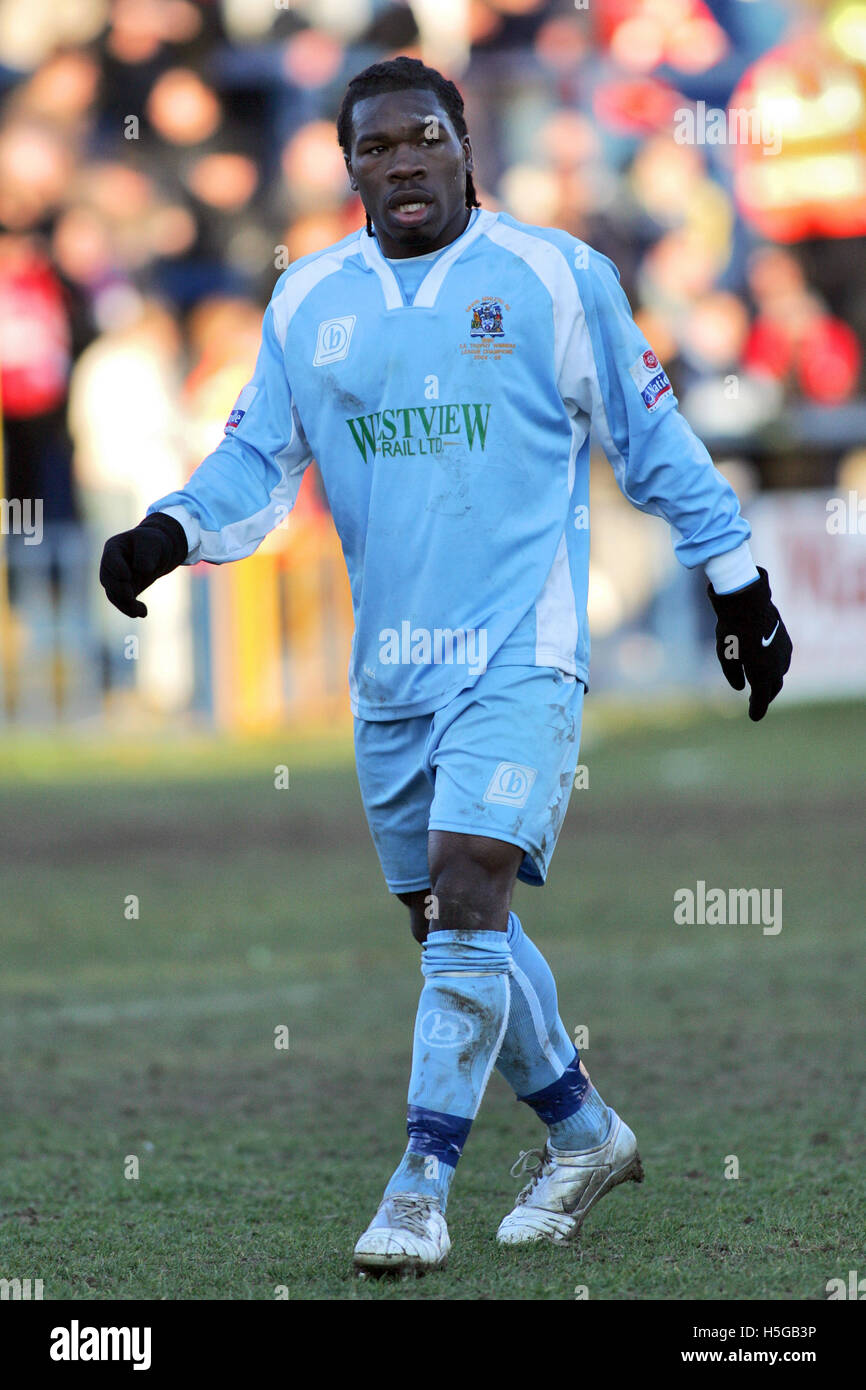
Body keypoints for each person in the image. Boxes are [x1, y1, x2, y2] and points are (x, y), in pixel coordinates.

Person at [100, 56, 793, 1277]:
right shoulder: (309, 301)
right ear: (348, 166)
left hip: (521, 654)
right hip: (391, 680)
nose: (403, 161)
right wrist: (167, 532)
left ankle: (418, 1186)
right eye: (375, 147)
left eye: (424, 136)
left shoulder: (553, 277)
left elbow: (651, 437)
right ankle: (582, 1132)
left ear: (464, 143)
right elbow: (255, 466)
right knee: (447, 930)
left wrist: (736, 581)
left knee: (471, 883)